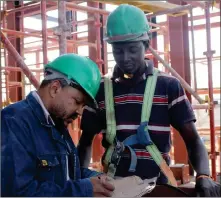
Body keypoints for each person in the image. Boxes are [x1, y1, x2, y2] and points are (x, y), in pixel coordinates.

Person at [78, 4, 220, 197]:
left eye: (133, 49)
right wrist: (78, 181)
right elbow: (85, 142)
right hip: (113, 190)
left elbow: (193, 139)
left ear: (146, 45)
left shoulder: (168, 86)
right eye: (118, 51)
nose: (125, 57)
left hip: (157, 189)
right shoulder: (101, 90)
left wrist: (203, 175)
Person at [1, 54, 115, 197]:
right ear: (55, 88)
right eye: (78, 101)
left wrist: (101, 179)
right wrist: (85, 189)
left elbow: (69, 173)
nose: (80, 111)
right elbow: (19, 192)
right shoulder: (13, 122)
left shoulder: (57, 122)